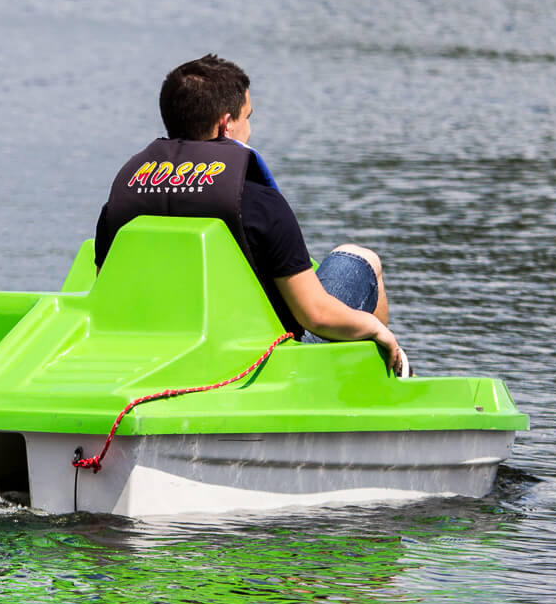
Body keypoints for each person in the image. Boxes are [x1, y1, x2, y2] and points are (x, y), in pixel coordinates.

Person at [94, 54, 406, 374]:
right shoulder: (258, 202)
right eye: (247, 117)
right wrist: (375, 328)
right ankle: (385, 383)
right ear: (225, 125)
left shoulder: (122, 201)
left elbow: (108, 291)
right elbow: (315, 316)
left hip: (158, 352)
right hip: (259, 361)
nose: (250, 129)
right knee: (359, 258)